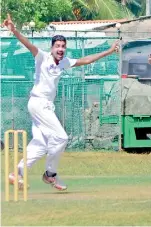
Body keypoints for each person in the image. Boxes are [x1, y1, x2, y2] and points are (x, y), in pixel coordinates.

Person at [3, 13, 120, 191]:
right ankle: (50, 174)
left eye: (63, 46)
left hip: (44, 105)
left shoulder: (64, 62)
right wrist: (14, 31)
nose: (60, 49)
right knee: (61, 137)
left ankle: (17, 173)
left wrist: (110, 51)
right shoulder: (42, 57)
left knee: (41, 143)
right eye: (57, 46)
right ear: (51, 48)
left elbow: (86, 60)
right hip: (39, 103)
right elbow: (28, 45)